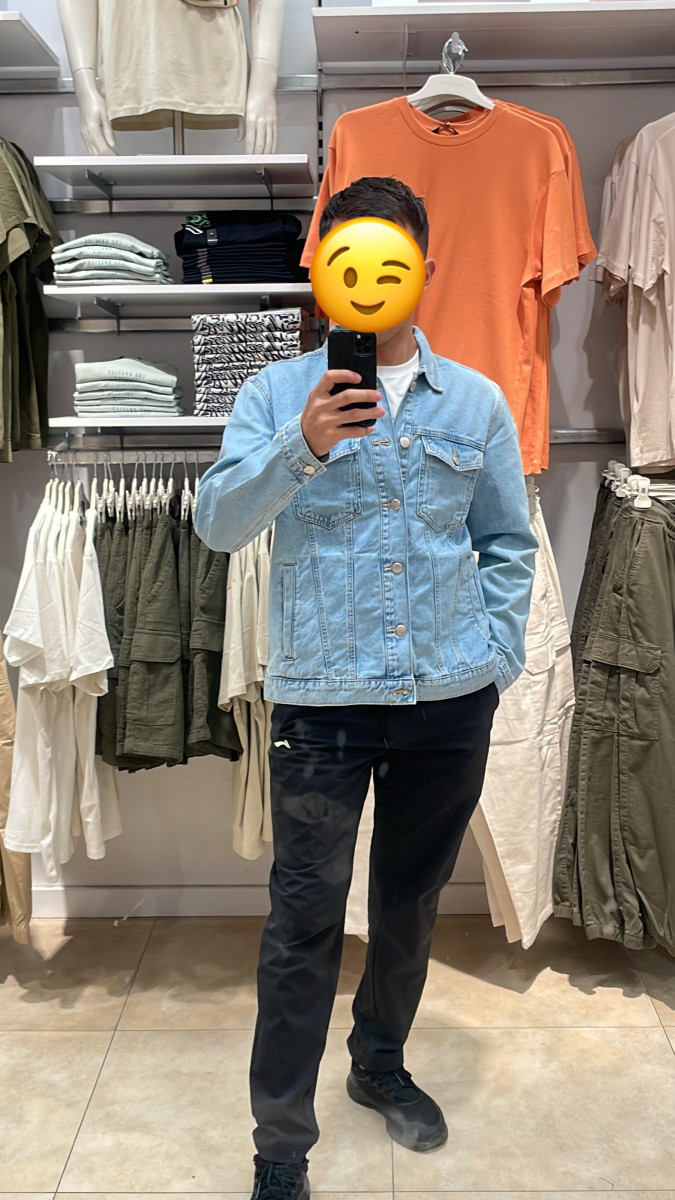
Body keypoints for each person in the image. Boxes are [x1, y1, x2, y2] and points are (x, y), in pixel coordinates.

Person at [194, 175, 538, 1200]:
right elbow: (217, 524)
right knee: (302, 920)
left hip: (449, 700)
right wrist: (302, 447)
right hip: (323, 701)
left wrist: (496, 659)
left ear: (423, 268)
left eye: (392, 257)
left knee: (410, 904)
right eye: (347, 257)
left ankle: (378, 1062)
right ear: (322, 270)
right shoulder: (274, 396)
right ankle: (280, 1149)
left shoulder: (474, 401)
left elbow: (507, 544)